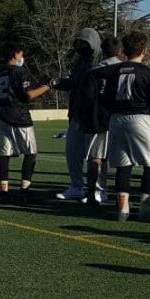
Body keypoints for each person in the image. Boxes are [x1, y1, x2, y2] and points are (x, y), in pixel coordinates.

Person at [101, 31, 150, 222]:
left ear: (124, 51)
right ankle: (144, 209)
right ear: (144, 51)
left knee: (123, 166)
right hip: (141, 118)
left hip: (117, 119)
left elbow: (105, 99)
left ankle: (123, 210)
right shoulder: (148, 73)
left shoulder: (115, 71)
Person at [0, 44, 51, 203]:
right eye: (21, 54)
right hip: (19, 117)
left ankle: (3, 191)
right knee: (31, 153)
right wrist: (47, 87)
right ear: (16, 54)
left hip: (3, 117)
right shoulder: (20, 71)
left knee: (4, 154)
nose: (22, 57)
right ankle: (25, 190)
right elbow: (28, 95)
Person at [52, 28, 101, 201]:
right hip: (76, 115)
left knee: (96, 155)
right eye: (78, 43)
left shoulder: (99, 61)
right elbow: (72, 83)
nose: (80, 46)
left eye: (84, 43)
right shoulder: (79, 63)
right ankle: (76, 186)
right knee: (73, 152)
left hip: (94, 117)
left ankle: (97, 190)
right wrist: (57, 83)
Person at [76, 36, 123, 205]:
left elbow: (86, 99)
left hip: (96, 119)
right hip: (119, 118)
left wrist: (82, 118)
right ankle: (120, 196)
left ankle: (91, 194)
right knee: (121, 160)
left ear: (103, 51)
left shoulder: (92, 72)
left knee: (95, 158)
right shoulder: (124, 69)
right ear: (120, 51)